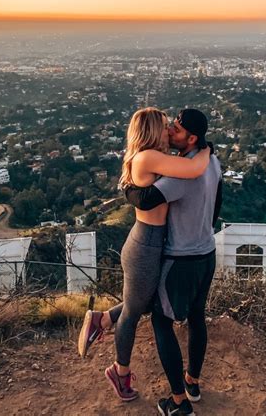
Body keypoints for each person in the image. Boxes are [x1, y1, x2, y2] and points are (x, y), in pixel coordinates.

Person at [77, 107, 210, 402]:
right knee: (135, 312)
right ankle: (119, 372)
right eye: (164, 126)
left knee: (146, 302)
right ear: (151, 130)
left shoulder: (154, 157)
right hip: (145, 246)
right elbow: (194, 169)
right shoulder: (148, 157)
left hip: (154, 243)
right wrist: (207, 149)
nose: (169, 131)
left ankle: (101, 320)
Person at [126, 108, 222, 416]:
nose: (170, 133)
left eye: (176, 130)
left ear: (191, 138)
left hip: (181, 259)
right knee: (196, 317)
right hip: (207, 252)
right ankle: (192, 382)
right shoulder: (213, 163)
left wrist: (127, 185)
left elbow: (145, 200)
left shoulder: (180, 175)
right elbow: (217, 204)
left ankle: (179, 402)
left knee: (161, 321)